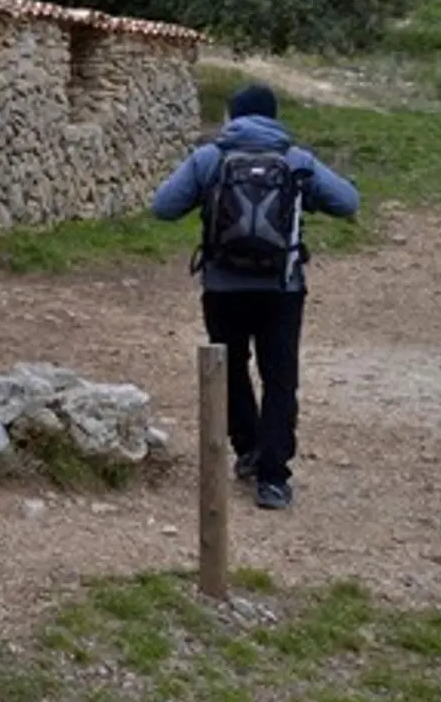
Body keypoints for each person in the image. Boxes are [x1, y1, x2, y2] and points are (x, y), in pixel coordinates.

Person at [151, 82, 359, 510]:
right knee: (280, 380)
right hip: (282, 289)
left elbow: (163, 206)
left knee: (229, 369)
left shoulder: (210, 158)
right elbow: (347, 201)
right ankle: (273, 479)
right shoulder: (296, 160)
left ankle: (247, 449)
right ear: (273, 116)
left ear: (233, 116)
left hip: (222, 288)